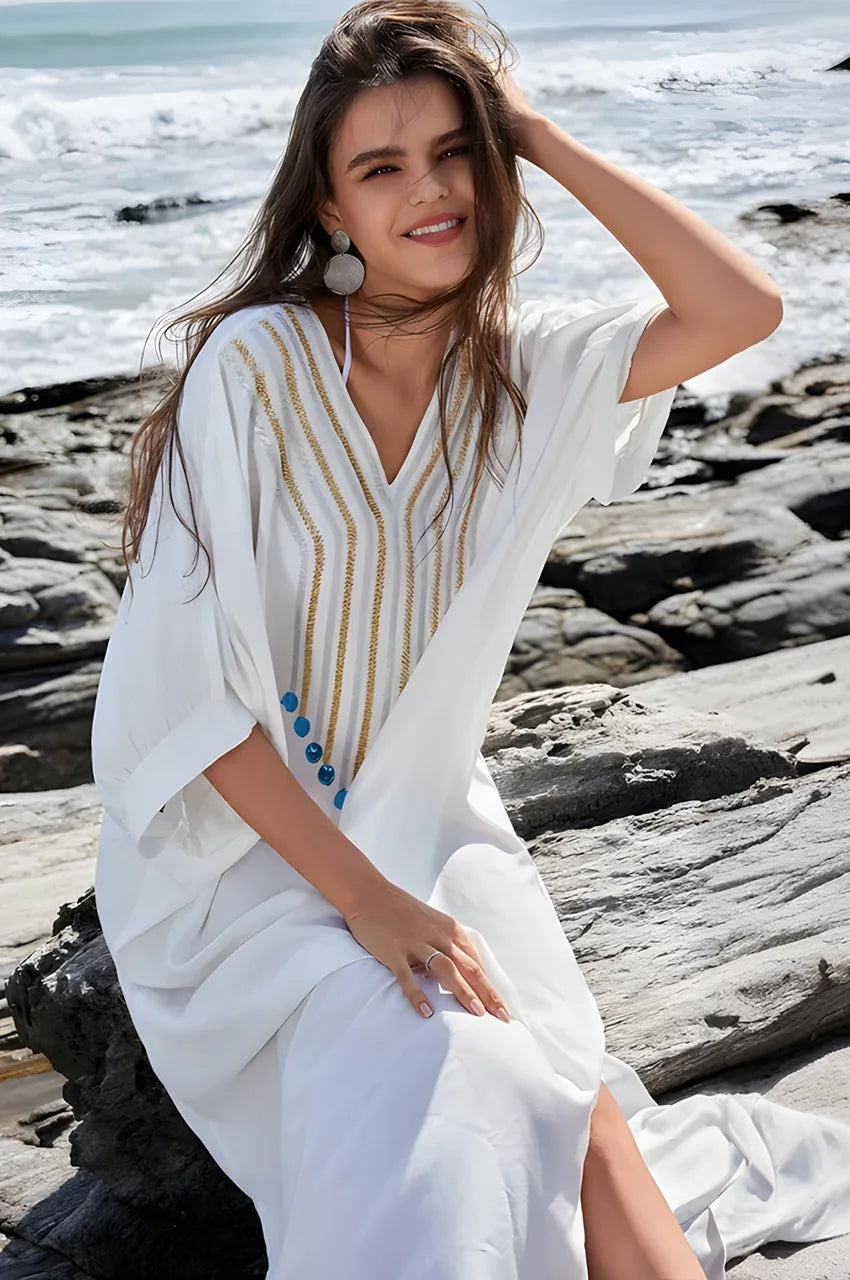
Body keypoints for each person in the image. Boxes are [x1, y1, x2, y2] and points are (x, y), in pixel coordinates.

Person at [90, 3, 850, 1278]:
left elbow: (743, 304)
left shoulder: (521, 374)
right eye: (379, 168)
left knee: (556, 1081)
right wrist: (365, 899)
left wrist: (538, 131)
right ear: (327, 209)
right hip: (234, 865)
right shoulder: (257, 369)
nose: (430, 191)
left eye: (455, 152)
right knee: (474, 1063)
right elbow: (187, 705)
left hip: (437, 831)